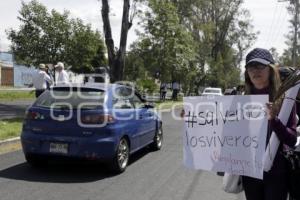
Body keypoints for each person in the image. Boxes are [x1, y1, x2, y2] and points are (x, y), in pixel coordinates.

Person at [242, 48, 297, 200]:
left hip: (276, 173)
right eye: (251, 67)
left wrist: (274, 120)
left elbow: (291, 139)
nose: (255, 71)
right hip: (249, 172)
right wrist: (197, 117)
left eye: (260, 66)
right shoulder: (239, 101)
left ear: (271, 70)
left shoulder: (285, 100)